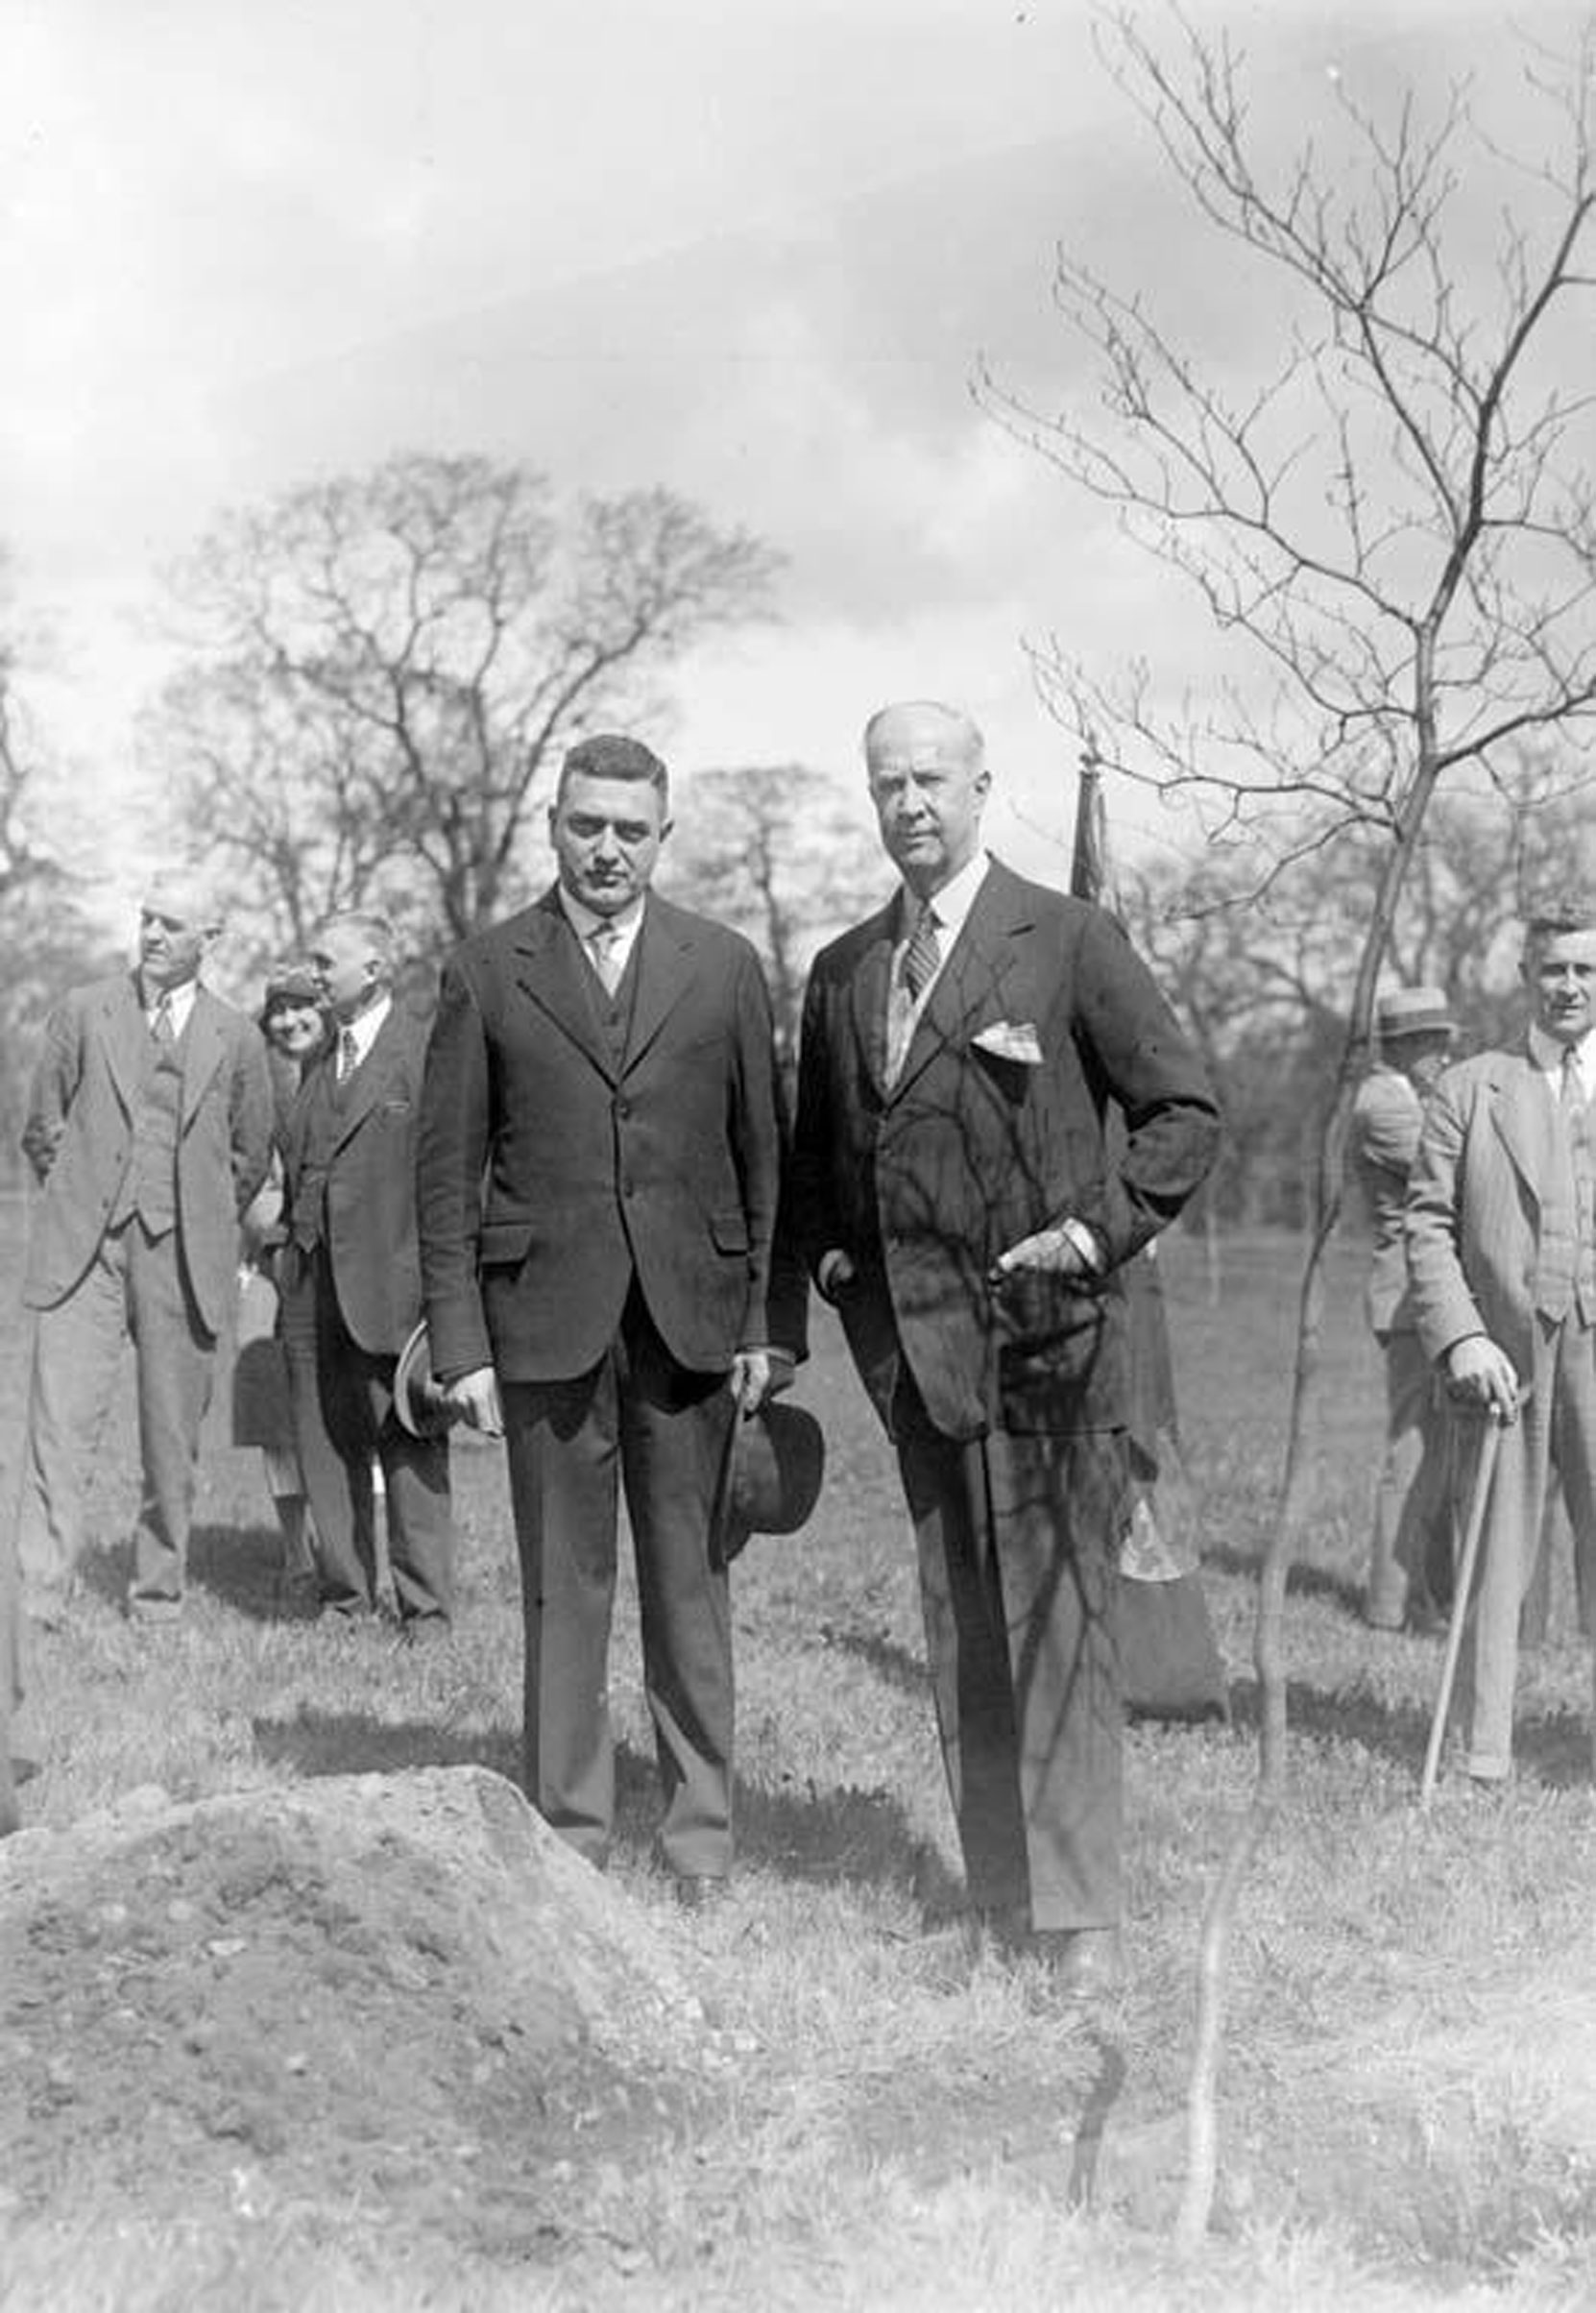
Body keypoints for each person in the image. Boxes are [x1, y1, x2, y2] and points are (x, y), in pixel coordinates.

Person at [786, 700, 1219, 1994]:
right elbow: (821, 1163)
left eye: (929, 779)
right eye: (885, 786)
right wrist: (832, 1266)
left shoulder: (1067, 938)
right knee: (962, 1632)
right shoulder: (846, 969)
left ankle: (1079, 1917)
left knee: (1057, 1634)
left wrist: (1090, 1241)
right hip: (917, 1362)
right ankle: (996, 1900)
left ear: (982, 786)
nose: (907, 803)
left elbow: (1181, 1113)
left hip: (1050, 1346)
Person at [417, 733, 803, 1898]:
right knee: (562, 1585)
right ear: (553, 825)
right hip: (542, 1323)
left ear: (663, 837)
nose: (607, 849)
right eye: (588, 824)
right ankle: (569, 1838)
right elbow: (445, 1173)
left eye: (631, 830)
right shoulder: (486, 971)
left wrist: (765, 1327)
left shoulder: (725, 965)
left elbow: (765, 1158)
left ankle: (700, 1843)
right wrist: (463, 1345)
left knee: (691, 1585)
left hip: (690, 1326)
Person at [14, 876, 273, 1626]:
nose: (154, 935)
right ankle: (39, 1594)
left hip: (182, 1258)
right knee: (58, 1428)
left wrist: (196, 1206)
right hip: (83, 1254)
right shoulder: (83, 1009)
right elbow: (43, 1125)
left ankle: (157, 1595)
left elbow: (251, 1152)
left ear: (209, 939)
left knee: (170, 1439)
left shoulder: (240, 1037)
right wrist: (82, 1189)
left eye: (173, 923)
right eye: (147, 920)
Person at [1407, 900, 1596, 1785]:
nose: (1569, 985)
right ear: (1526, 975)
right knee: (1497, 1557)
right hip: (1507, 1356)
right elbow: (1428, 1225)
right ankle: (1486, 1752)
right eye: (1553, 968)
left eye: (1585, 969)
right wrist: (1462, 1337)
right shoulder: (1470, 1086)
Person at [278, 913, 454, 1637]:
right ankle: (346, 1599)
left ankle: (426, 1612)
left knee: (408, 1445)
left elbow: (449, 1182)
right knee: (323, 1442)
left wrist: (439, 1301)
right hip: (309, 1289)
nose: (314, 975)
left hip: (394, 1291)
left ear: (375, 968)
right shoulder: (321, 1061)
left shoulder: (425, 1050)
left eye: (327, 962)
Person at [1349, 986, 1457, 1632]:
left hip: (1419, 1297)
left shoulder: (1403, 1096)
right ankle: (1393, 1606)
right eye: (1434, 1041)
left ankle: (1427, 1596)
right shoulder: (1385, 1104)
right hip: (1411, 1298)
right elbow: (1451, 1168)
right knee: (1413, 1453)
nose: (1444, 1054)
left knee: (1435, 1451)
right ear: (1405, 1045)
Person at [233, 962, 329, 1602]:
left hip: (340, 1270)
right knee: (275, 1418)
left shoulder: (347, 1073)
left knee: (346, 1416)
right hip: (268, 1266)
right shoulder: (253, 1084)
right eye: (278, 1010)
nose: (289, 1021)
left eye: (303, 1008)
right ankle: (297, 1557)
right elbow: (244, 1181)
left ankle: (350, 1554)